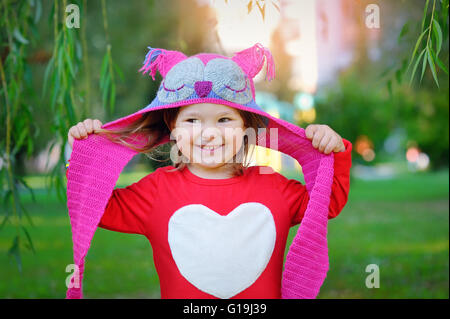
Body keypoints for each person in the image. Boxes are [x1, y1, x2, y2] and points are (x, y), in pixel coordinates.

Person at [65, 43, 352, 299]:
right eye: (192, 120)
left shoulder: (273, 187)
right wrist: (78, 157)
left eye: (224, 119)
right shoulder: (155, 192)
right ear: (173, 127)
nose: (209, 133)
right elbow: (92, 208)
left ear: (246, 128)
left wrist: (332, 151)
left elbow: (328, 202)